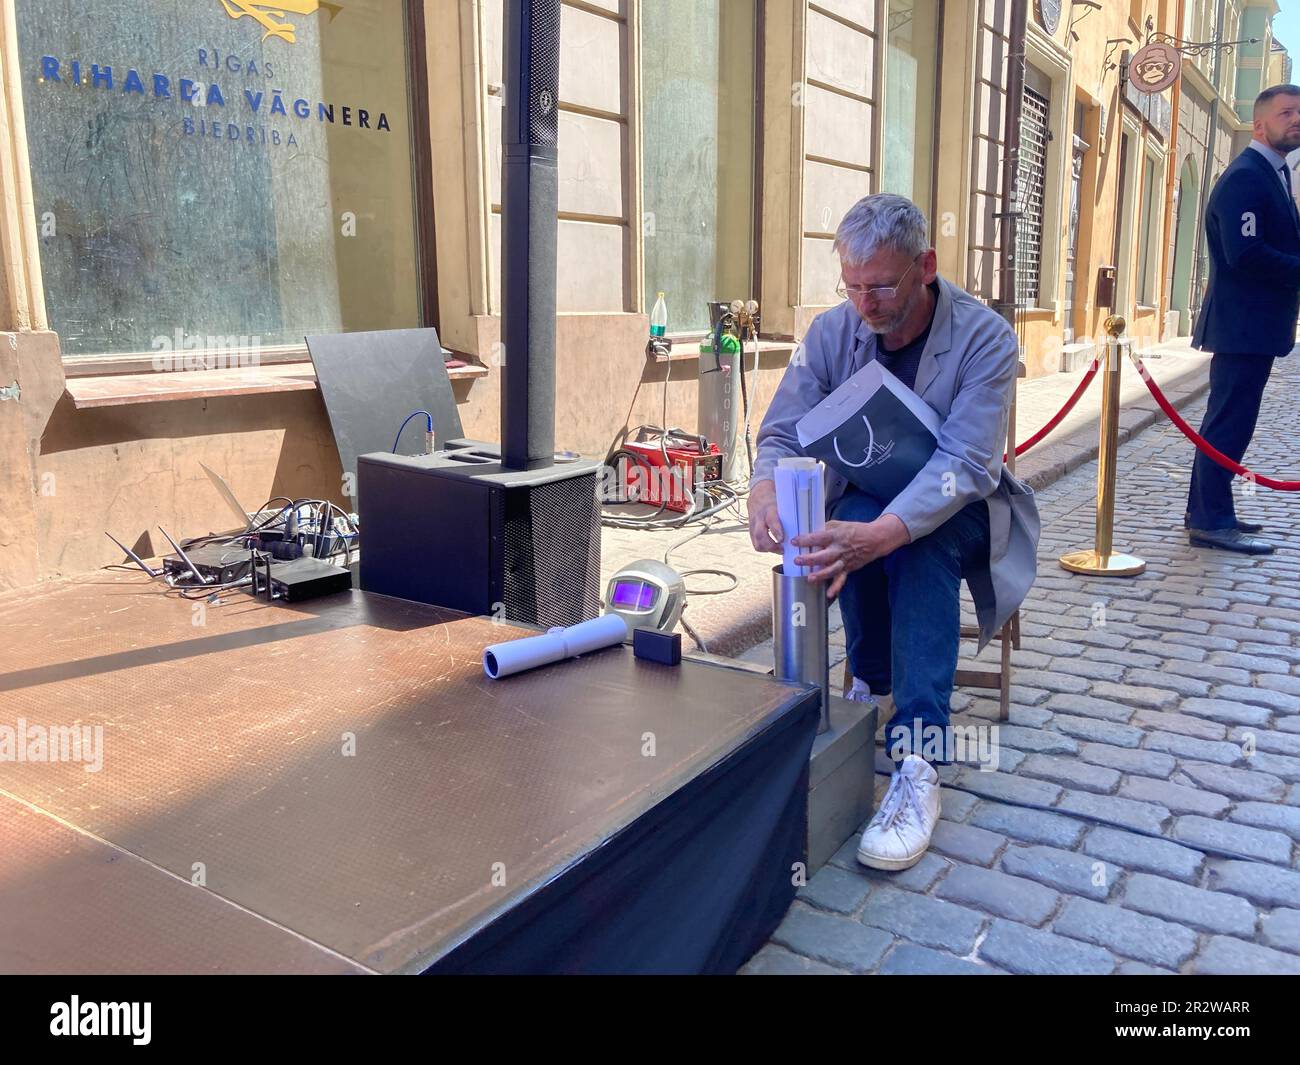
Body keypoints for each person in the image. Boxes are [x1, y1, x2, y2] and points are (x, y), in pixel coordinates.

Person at [748, 193, 1039, 871]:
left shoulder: (986, 337)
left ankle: (919, 757)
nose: (864, 303)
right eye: (851, 285)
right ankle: (867, 689)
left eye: (879, 285)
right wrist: (765, 485)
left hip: (961, 512)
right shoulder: (830, 333)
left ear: (925, 266)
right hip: (868, 500)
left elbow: (966, 463)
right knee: (841, 526)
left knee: (918, 545)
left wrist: (884, 533)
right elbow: (783, 427)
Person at [1186, 84, 1300, 554]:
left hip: (1253, 328)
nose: (1296, 120)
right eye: (1286, 113)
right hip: (1241, 327)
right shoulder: (1247, 176)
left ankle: (1209, 511)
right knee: (1228, 424)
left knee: (1229, 422)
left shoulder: (1272, 173)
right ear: (1259, 123)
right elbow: (1245, 253)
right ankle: (1211, 521)